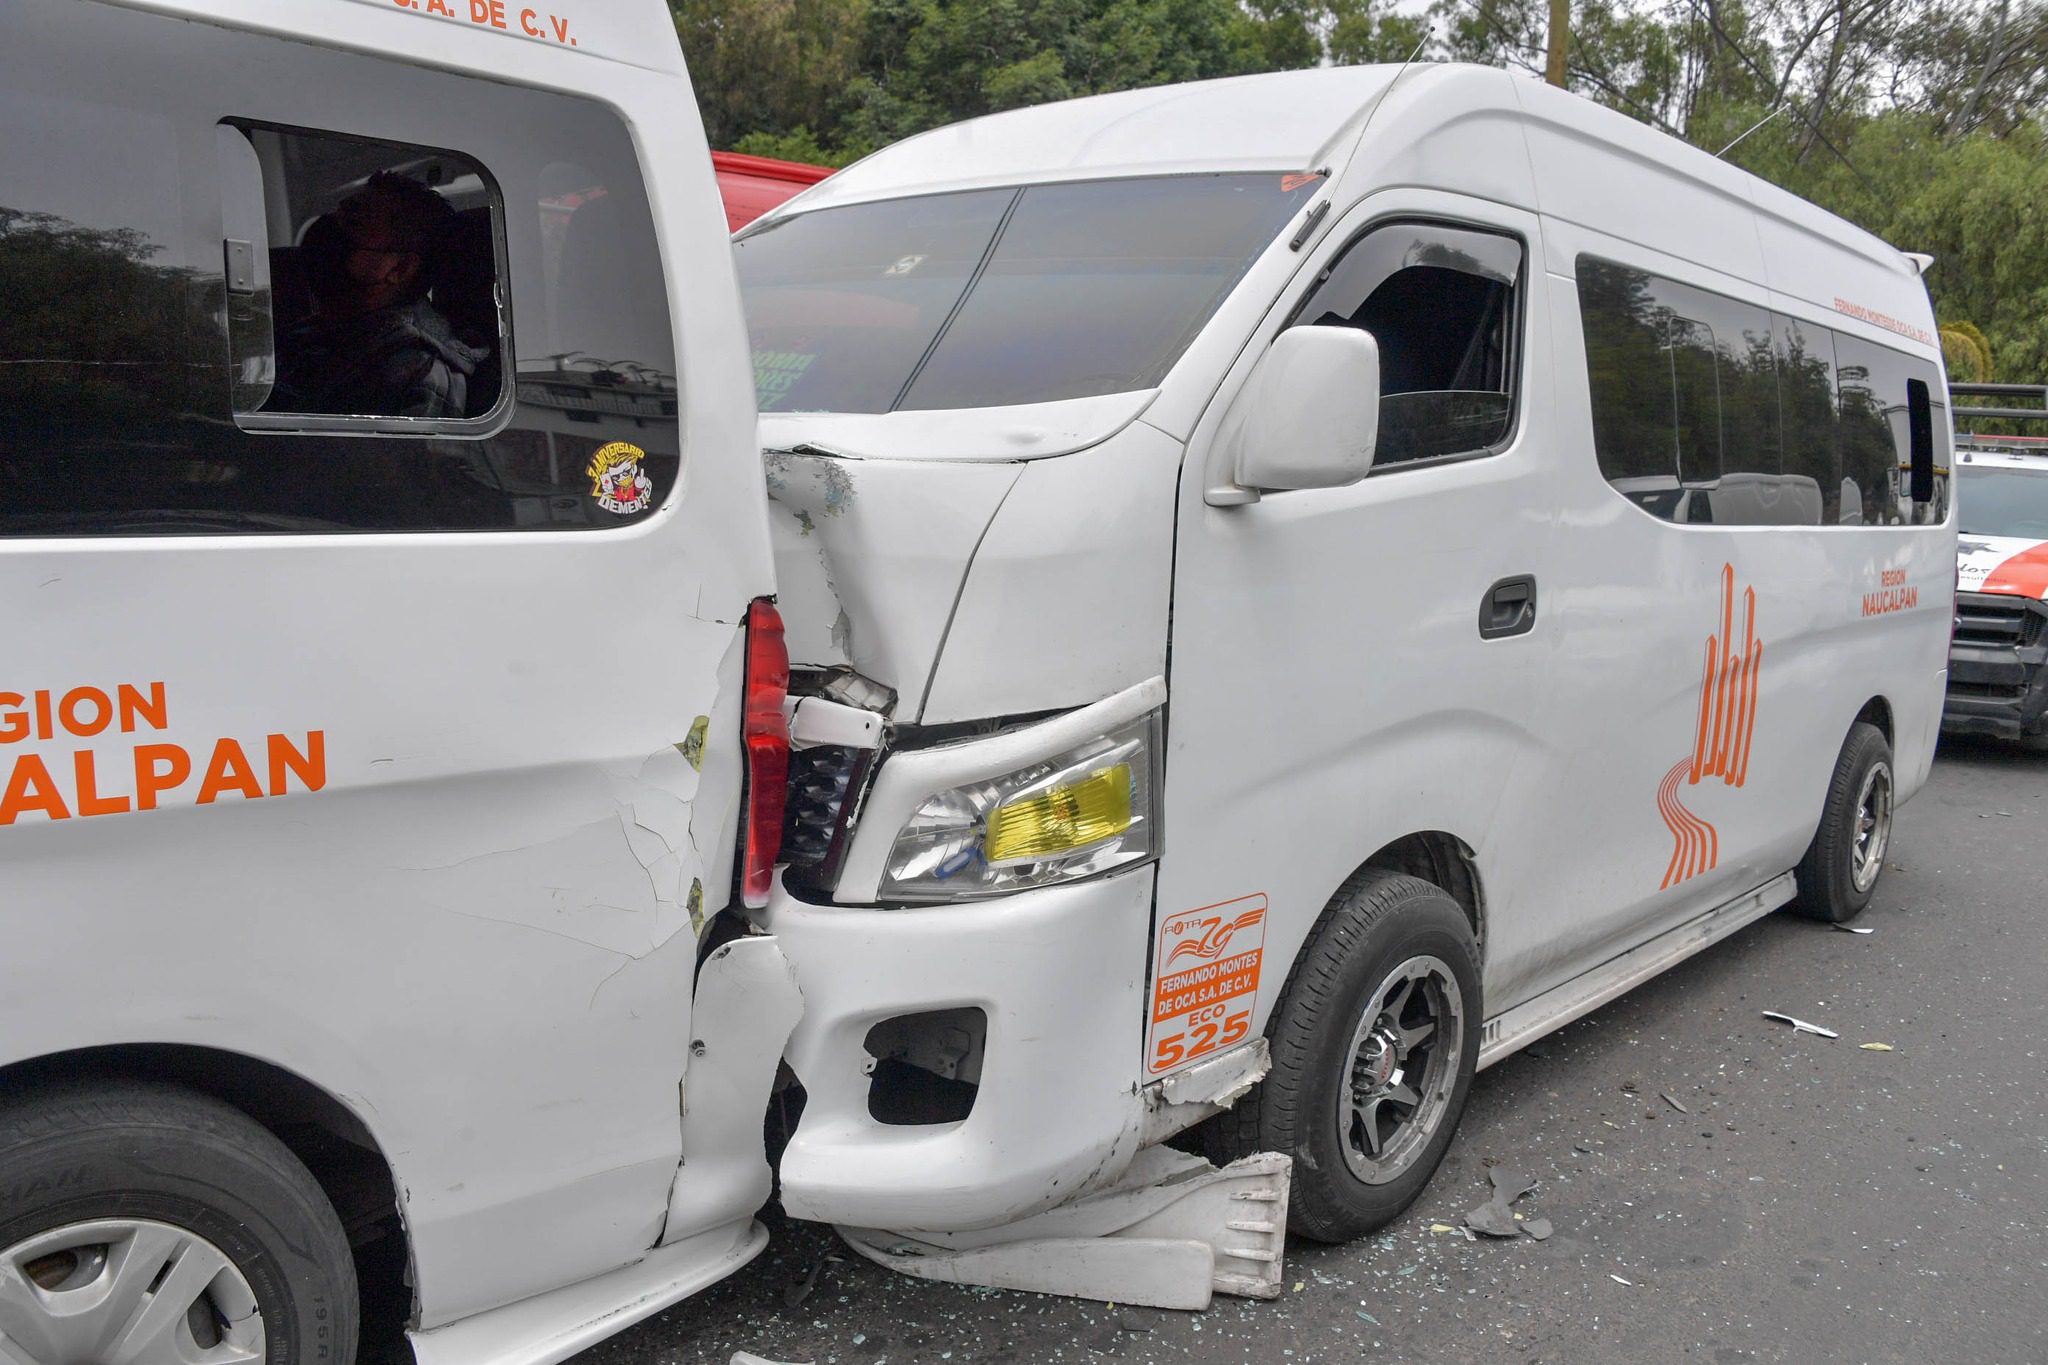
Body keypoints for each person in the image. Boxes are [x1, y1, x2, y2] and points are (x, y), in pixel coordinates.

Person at [272, 170, 488, 419]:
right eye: (339, 213)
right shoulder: (307, 335)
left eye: (354, 223)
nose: (330, 230)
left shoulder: (418, 375)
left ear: (400, 268)